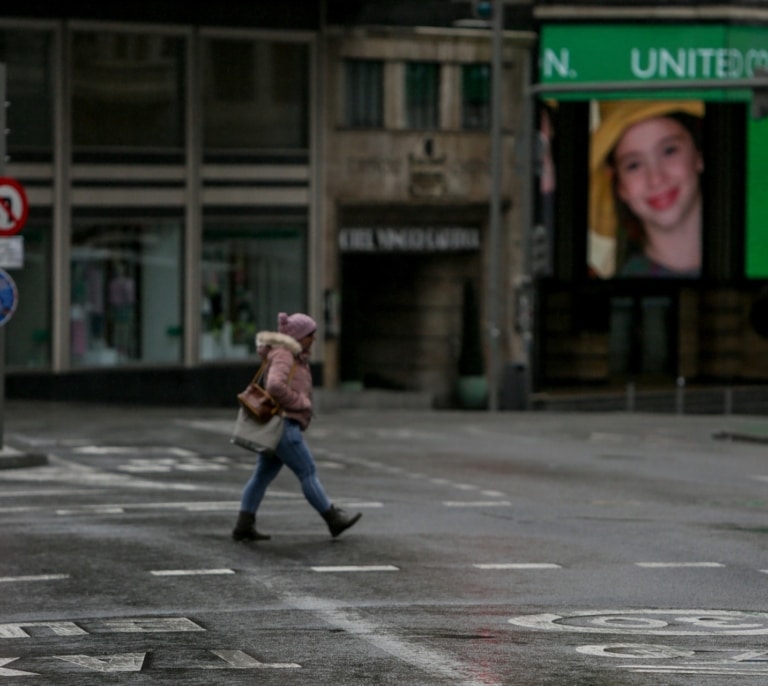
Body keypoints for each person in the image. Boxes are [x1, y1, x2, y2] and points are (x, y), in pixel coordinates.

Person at [232, 311, 362, 542]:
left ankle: (244, 524)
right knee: (307, 472)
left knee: (261, 476)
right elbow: (274, 385)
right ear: (300, 336)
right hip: (284, 425)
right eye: (311, 334)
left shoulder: (291, 354)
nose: (313, 338)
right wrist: (301, 402)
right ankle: (333, 519)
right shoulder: (284, 354)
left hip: (280, 424)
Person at [589, 100, 705, 278]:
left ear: (699, 156)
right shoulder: (619, 300)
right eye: (634, 165)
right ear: (620, 186)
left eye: (669, 151)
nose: (656, 179)